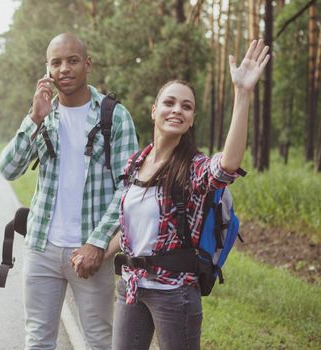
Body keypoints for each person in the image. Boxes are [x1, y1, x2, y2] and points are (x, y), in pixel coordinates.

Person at [72, 39, 270, 349]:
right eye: (169, 102)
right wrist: (98, 250)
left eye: (186, 106)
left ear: (191, 120)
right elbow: (129, 230)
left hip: (175, 293)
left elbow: (227, 165)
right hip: (132, 287)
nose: (177, 109)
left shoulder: (193, 168)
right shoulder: (135, 163)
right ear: (154, 111)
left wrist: (242, 94)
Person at [0, 32, 138, 350]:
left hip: (91, 250)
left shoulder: (114, 116)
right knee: (37, 340)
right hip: (41, 246)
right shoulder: (44, 115)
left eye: (72, 60)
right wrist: (34, 117)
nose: (64, 68)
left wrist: (97, 243)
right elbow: (9, 169)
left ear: (87, 64)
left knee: (99, 341)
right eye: (56, 62)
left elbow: (129, 187)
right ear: (47, 69)